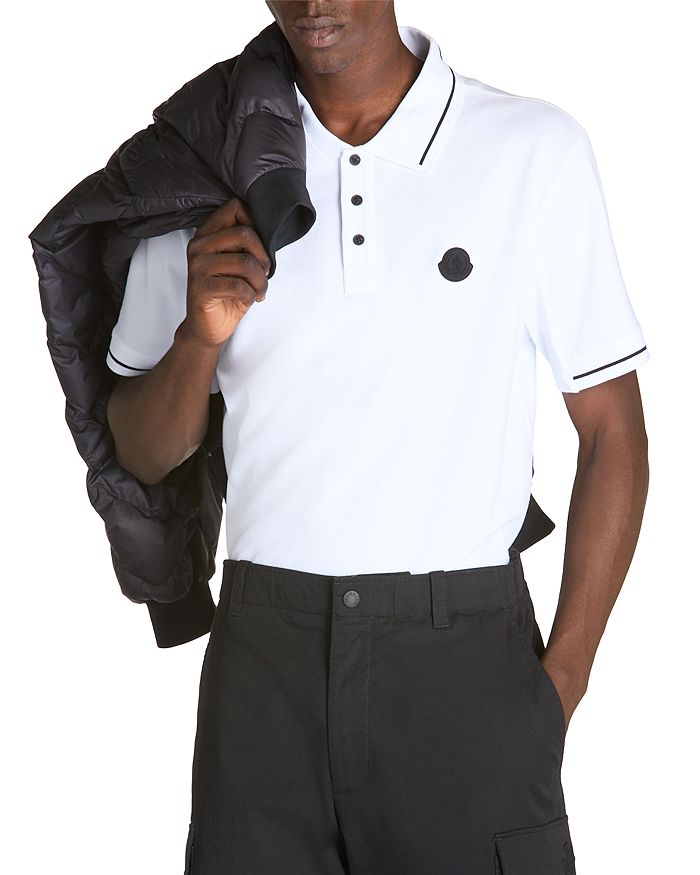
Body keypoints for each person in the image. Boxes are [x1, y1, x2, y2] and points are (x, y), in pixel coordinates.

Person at [105, 2, 650, 873]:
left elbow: (612, 429)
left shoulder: (529, 151)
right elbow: (141, 451)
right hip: (263, 668)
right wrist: (197, 337)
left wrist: (563, 681)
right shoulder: (204, 166)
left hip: (464, 663)